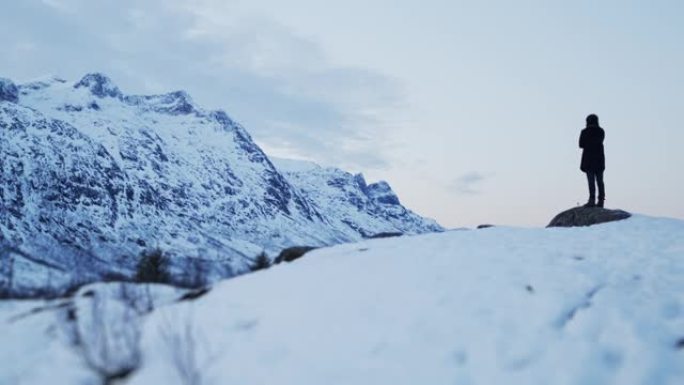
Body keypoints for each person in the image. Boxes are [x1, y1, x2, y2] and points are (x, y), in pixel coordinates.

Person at [579, 114, 605, 207]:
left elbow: (581, 144)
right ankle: (601, 201)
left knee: (591, 181)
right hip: (599, 160)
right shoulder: (601, 131)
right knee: (600, 181)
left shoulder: (584, 132)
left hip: (588, 160)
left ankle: (592, 200)